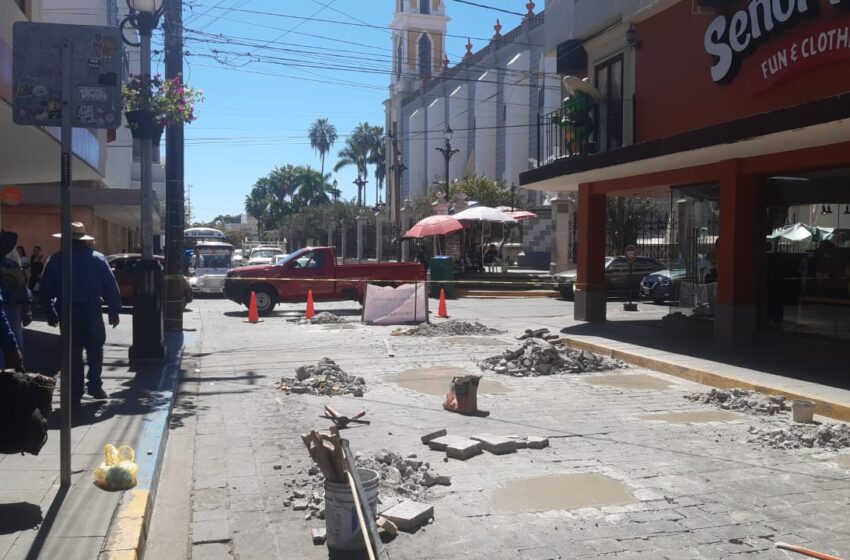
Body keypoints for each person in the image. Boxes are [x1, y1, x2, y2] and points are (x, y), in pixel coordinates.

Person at [39, 222, 121, 406]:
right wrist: (114, 311)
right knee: (95, 350)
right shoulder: (98, 259)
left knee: (73, 354)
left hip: (68, 312)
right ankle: (95, 385)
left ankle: (75, 393)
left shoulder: (56, 260)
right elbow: (110, 286)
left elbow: (45, 291)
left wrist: (50, 312)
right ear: (84, 240)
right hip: (92, 311)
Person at [0, 232, 32, 369]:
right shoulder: (11, 265)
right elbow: (22, 290)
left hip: (9, 308)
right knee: (15, 343)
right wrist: (27, 311)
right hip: (12, 309)